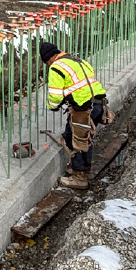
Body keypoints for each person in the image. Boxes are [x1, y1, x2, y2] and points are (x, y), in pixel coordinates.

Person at [41, 41, 107, 190]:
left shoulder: (56, 67)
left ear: (49, 59)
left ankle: (79, 176)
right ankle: (85, 168)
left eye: (46, 63)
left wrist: (52, 106)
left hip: (83, 109)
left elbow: (55, 96)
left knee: (72, 139)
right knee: (86, 138)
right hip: (99, 104)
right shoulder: (77, 60)